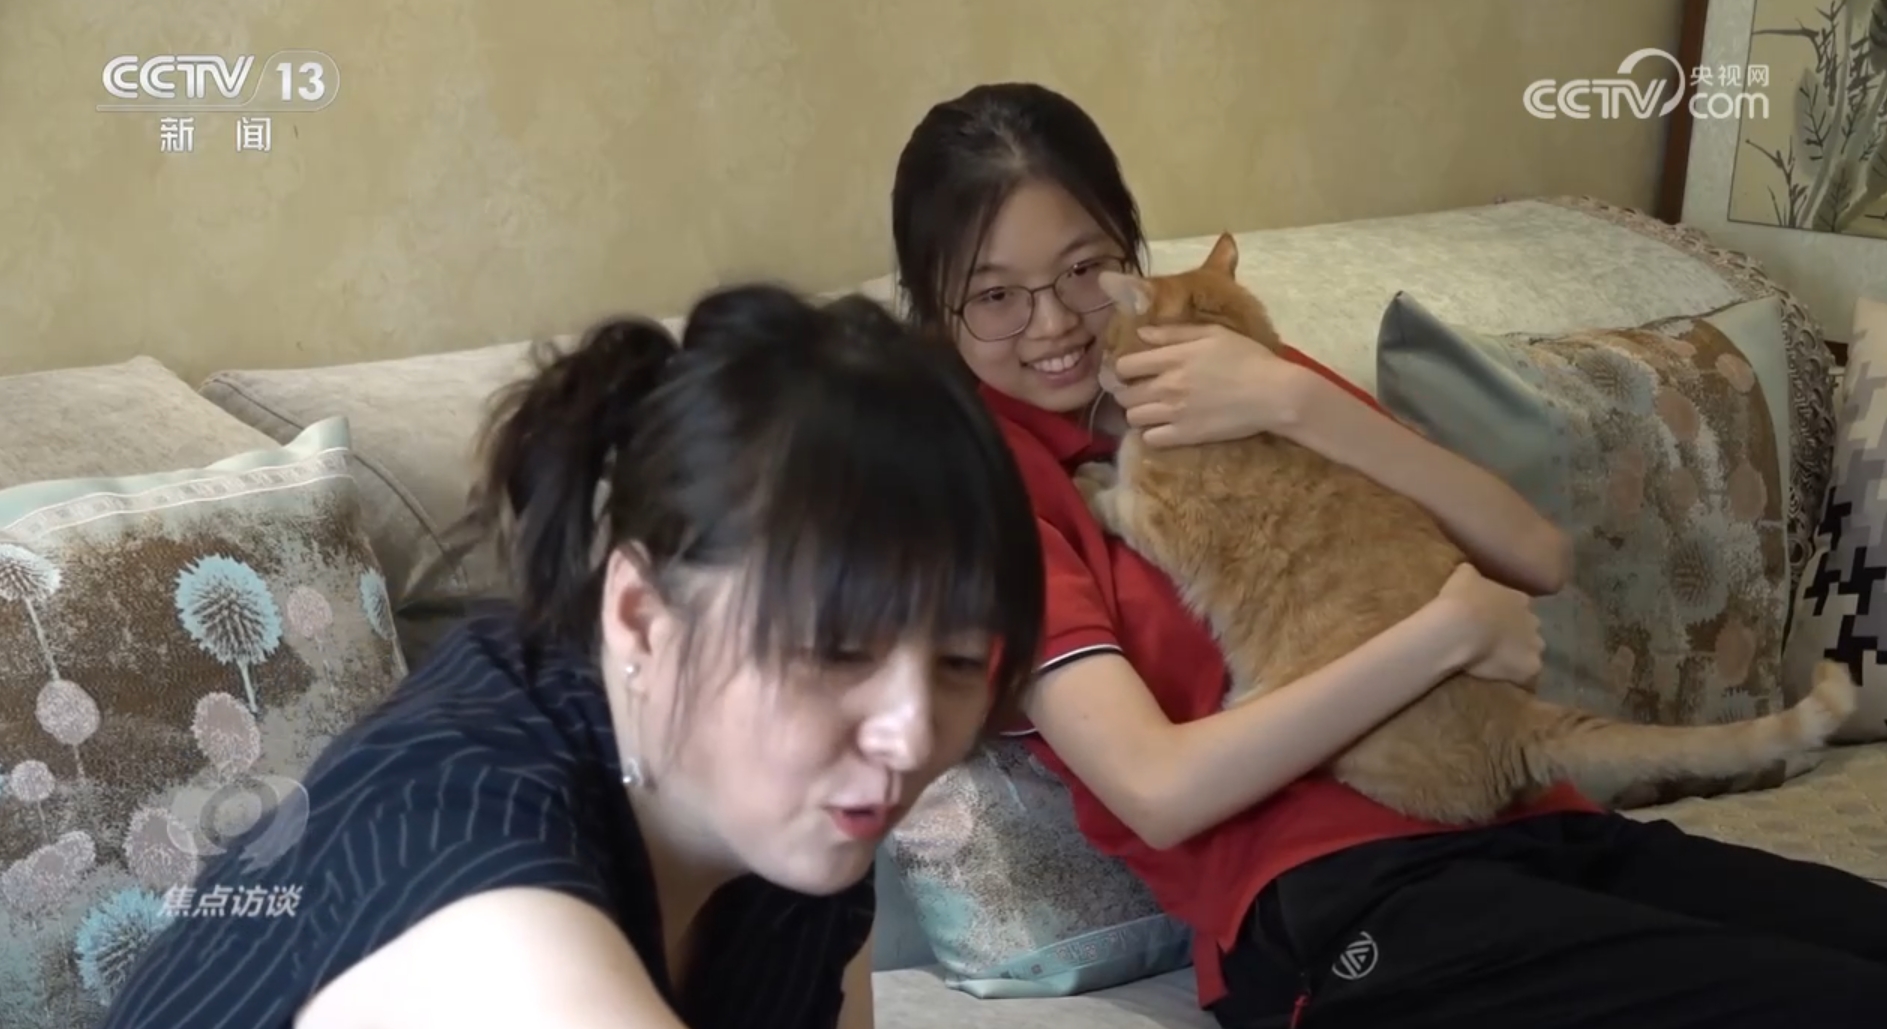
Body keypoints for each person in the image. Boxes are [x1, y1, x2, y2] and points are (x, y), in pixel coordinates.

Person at [888, 81, 1887, 1029]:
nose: (1055, 323)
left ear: (1126, 255)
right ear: (937, 308)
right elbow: (1156, 789)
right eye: (994, 295)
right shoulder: (989, 490)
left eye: (1081, 269)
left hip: (1530, 815)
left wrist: (1294, 398)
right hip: (1339, 895)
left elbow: (1535, 553)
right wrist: (1443, 636)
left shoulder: (1230, 368)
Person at [99, 285, 1047, 1029]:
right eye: (835, 651)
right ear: (640, 614)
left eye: (960, 661)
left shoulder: (795, 819)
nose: (909, 734)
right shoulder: (484, 876)